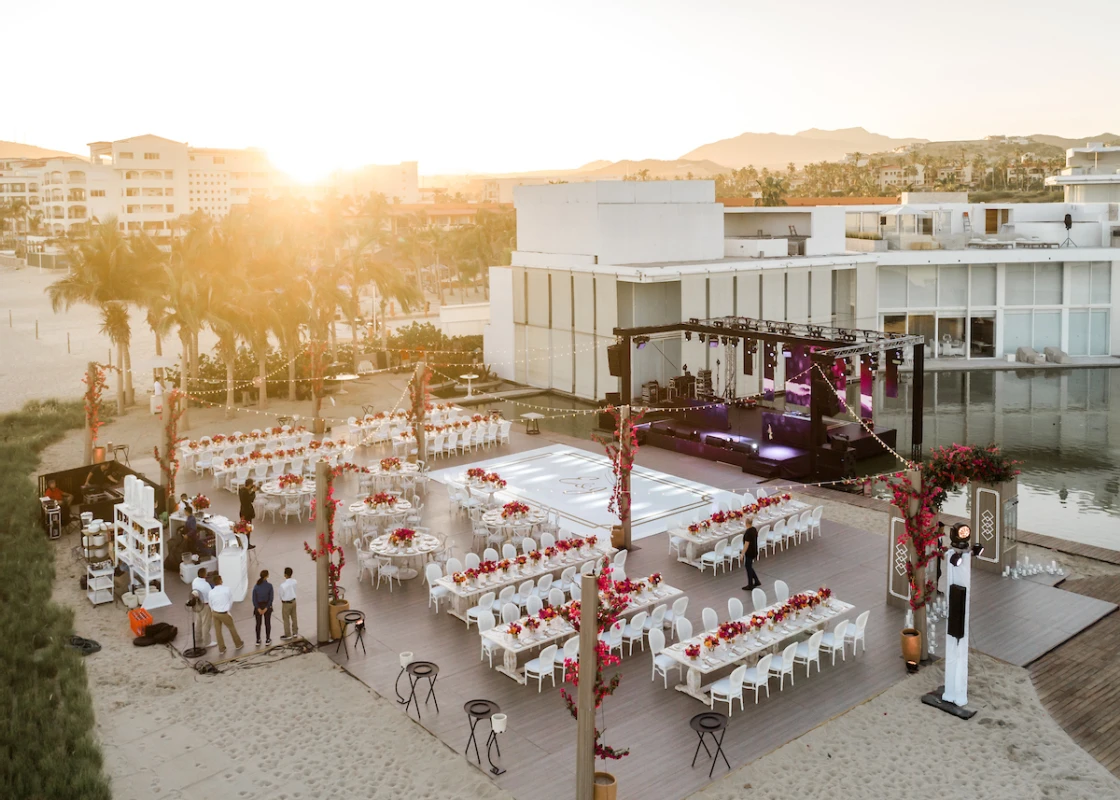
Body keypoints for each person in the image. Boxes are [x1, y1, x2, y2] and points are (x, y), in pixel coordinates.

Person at [208, 574, 243, 655]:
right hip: (224, 612)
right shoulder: (227, 589)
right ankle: (238, 644)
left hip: (215, 613)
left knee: (218, 631)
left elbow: (210, 603)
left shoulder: (211, 592)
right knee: (231, 628)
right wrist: (227, 609)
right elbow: (231, 601)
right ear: (220, 581)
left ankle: (221, 648)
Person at [191, 567, 216, 648]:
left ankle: (197, 638)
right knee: (206, 623)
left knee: (198, 621)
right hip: (205, 605)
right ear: (204, 575)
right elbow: (210, 596)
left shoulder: (195, 581)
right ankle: (207, 641)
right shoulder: (206, 585)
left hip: (197, 604)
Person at [252, 569, 274, 646]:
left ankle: (258, 639)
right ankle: (268, 639)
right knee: (267, 623)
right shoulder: (269, 586)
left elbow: (254, 599)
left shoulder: (256, 586)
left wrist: (258, 608)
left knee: (258, 624)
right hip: (266, 606)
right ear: (267, 576)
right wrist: (266, 608)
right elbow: (271, 598)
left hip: (258, 606)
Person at [279, 567, 298, 640]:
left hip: (286, 603)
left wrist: (282, 600)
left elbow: (281, 595)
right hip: (293, 601)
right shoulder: (295, 581)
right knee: (294, 617)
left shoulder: (283, 585)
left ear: (285, 574)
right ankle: (295, 632)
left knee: (286, 619)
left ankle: (288, 634)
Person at [740, 525, 761, 591]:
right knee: (749, 566)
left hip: (749, 552)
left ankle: (750, 584)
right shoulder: (754, 529)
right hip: (754, 550)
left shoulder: (748, 533)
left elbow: (746, 545)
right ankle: (756, 580)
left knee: (748, 567)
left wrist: (742, 554)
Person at [238, 479, 258, 549]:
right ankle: (247, 544)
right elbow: (250, 499)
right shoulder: (245, 493)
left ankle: (244, 543)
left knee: (243, 528)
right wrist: (253, 492)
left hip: (243, 511)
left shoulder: (241, 490)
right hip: (247, 513)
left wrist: (251, 491)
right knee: (247, 529)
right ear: (250, 485)